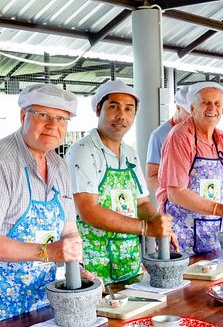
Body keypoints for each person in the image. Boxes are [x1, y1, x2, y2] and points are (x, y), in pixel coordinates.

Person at [0, 84, 88, 327]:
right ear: (23, 116)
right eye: (43, 115)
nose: (52, 125)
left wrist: (75, 266)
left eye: (61, 118)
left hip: (35, 290)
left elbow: (69, 230)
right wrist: (49, 253)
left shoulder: (59, 166)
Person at [65, 80, 173, 285]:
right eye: (113, 106)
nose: (121, 115)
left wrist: (160, 225)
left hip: (129, 265)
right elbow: (89, 210)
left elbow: (141, 203)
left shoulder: (130, 154)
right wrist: (145, 228)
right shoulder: (83, 151)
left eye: (128, 109)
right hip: (94, 269)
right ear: (99, 109)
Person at [157, 82, 223, 263]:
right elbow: (175, 192)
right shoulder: (180, 136)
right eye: (205, 103)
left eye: (217, 104)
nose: (212, 108)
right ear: (192, 107)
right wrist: (221, 209)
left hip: (212, 234)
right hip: (180, 234)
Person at [145, 86, 192, 192]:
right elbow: (151, 181)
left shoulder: (201, 132)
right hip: (173, 203)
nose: (194, 116)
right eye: (190, 112)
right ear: (178, 108)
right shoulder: (159, 135)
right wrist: (178, 177)